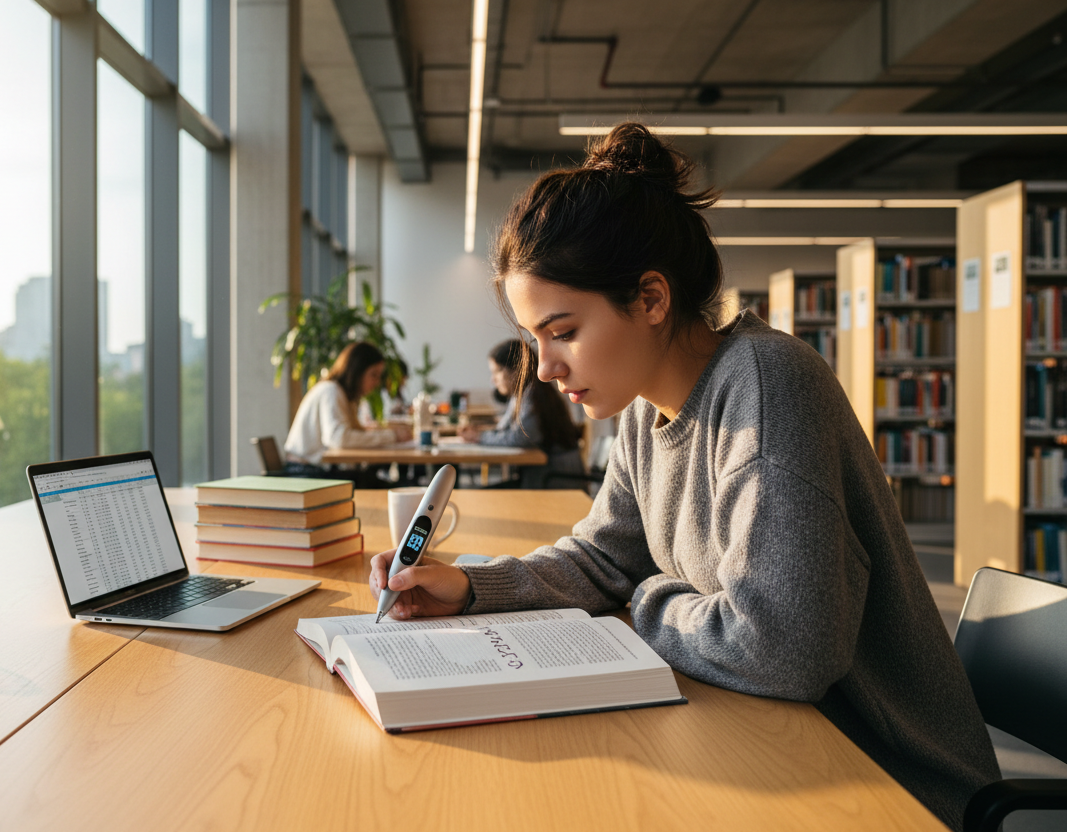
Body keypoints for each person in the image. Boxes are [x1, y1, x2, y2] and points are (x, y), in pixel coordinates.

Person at [368, 123, 999, 830]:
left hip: (888, 785)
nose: (544, 370)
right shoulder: (643, 411)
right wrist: (470, 588)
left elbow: (782, 649)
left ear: (651, 299)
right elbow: (604, 555)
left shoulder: (767, 385)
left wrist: (644, 600)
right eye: (533, 340)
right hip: (775, 746)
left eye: (564, 331)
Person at [459, 339, 584, 487]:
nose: (493, 380)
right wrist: (480, 434)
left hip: (556, 479)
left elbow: (520, 438)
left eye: (497, 372)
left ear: (517, 369)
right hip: (545, 474)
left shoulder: (533, 395)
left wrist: (480, 436)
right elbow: (504, 430)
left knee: (485, 497)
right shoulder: (523, 394)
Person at [284, 342, 412, 477]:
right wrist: (391, 436)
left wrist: (386, 431)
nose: (377, 382)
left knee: (374, 480)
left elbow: (352, 432)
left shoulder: (342, 395)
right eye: (373, 375)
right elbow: (339, 439)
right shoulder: (331, 391)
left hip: (313, 469)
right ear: (357, 371)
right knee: (378, 483)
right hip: (304, 472)